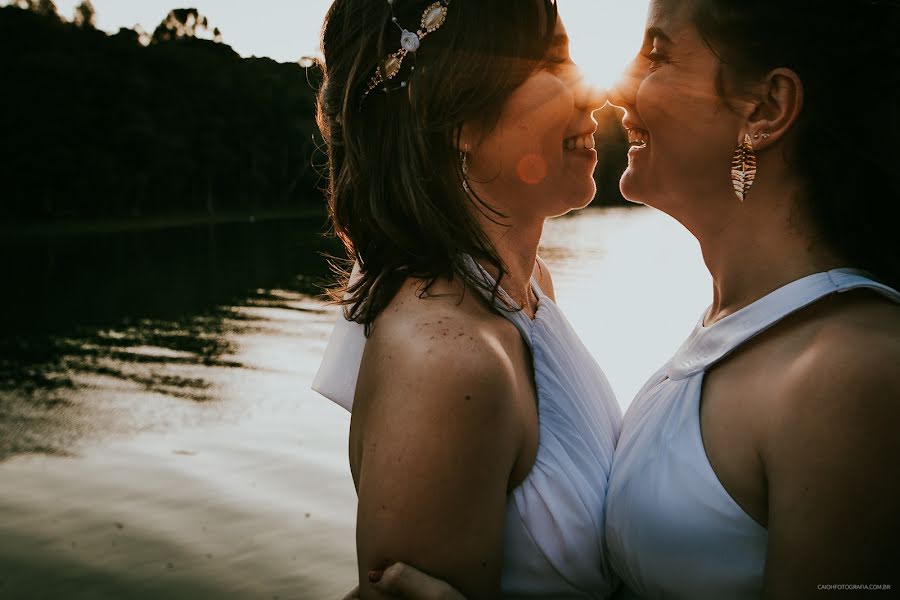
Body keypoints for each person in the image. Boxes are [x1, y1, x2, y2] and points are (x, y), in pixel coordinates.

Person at [363, 0, 900, 598]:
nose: (615, 91)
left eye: (657, 55)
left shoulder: (851, 373)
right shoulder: (738, 329)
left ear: (767, 108)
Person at [312, 0, 621, 598]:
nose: (594, 94)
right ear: (458, 117)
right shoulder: (447, 363)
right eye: (553, 63)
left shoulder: (530, 293)